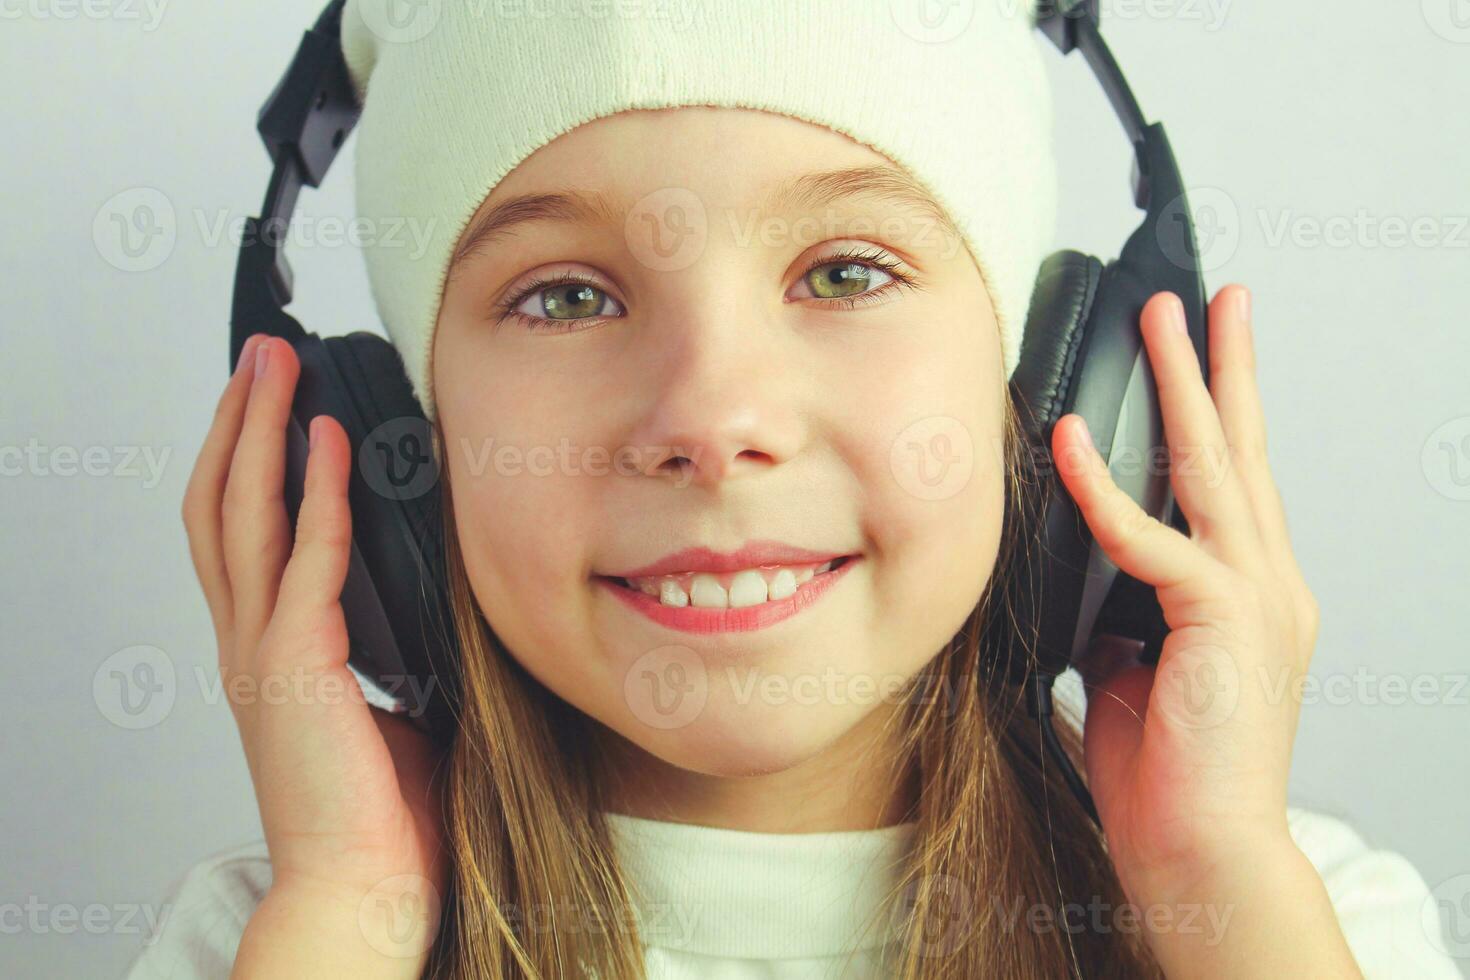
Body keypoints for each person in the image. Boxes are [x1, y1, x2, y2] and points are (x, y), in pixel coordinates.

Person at [135, 1, 1460, 976]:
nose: (710, 424)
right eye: (565, 297)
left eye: (845, 273)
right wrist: (348, 919)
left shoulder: (1301, 918)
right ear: (386, 463)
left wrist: (1211, 888)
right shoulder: (280, 939)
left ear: (1077, 403)